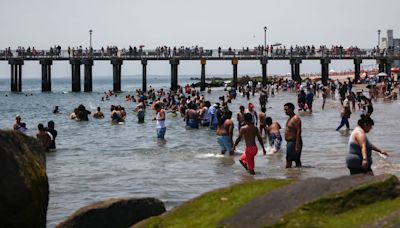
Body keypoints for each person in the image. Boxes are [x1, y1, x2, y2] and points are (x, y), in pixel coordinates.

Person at [284, 102, 302, 168]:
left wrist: (297, 144)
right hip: (290, 142)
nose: (285, 111)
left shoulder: (295, 118)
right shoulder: (290, 118)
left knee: (290, 160)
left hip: (294, 142)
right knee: (294, 160)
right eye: (284, 110)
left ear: (291, 109)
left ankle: (288, 175)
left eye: (286, 109)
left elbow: (299, 131)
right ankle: (295, 174)